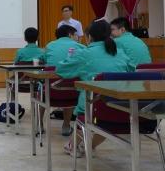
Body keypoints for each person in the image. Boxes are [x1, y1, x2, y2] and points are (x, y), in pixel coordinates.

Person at [56, 20, 135, 156]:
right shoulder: (120, 53)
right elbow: (131, 72)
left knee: (87, 112)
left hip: (93, 109)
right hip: (121, 108)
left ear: (90, 37)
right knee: (106, 122)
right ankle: (89, 146)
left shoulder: (84, 53)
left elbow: (62, 70)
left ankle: (73, 145)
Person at [43, 25, 86, 136]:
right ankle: (66, 126)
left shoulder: (49, 46)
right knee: (71, 83)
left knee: (40, 89)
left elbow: (44, 62)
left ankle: (39, 125)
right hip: (73, 93)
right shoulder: (81, 47)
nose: (77, 37)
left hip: (50, 91)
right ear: (69, 34)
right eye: (75, 35)